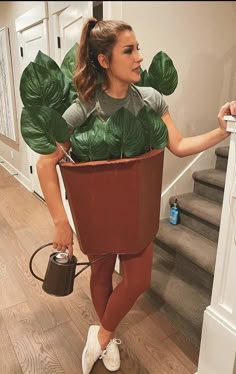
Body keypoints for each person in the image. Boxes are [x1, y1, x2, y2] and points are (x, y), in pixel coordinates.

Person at [36, 17, 236, 374]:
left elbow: (178, 145)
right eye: (129, 50)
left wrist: (221, 131)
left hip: (135, 210)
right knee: (100, 275)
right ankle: (108, 338)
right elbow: (45, 163)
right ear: (103, 61)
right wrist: (59, 221)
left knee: (138, 279)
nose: (140, 57)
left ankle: (100, 335)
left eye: (138, 48)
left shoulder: (151, 100)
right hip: (96, 210)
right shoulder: (83, 107)